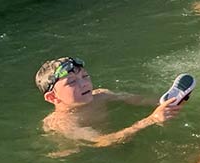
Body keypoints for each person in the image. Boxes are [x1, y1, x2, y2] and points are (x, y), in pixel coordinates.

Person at [36, 56, 181, 145]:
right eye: (72, 82)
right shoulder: (62, 123)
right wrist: (151, 120)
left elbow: (138, 99)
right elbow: (102, 141)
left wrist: (169, 100)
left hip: (122, 138)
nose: (84, 84)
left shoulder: (101, 95)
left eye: (85, 76)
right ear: (52, 97)